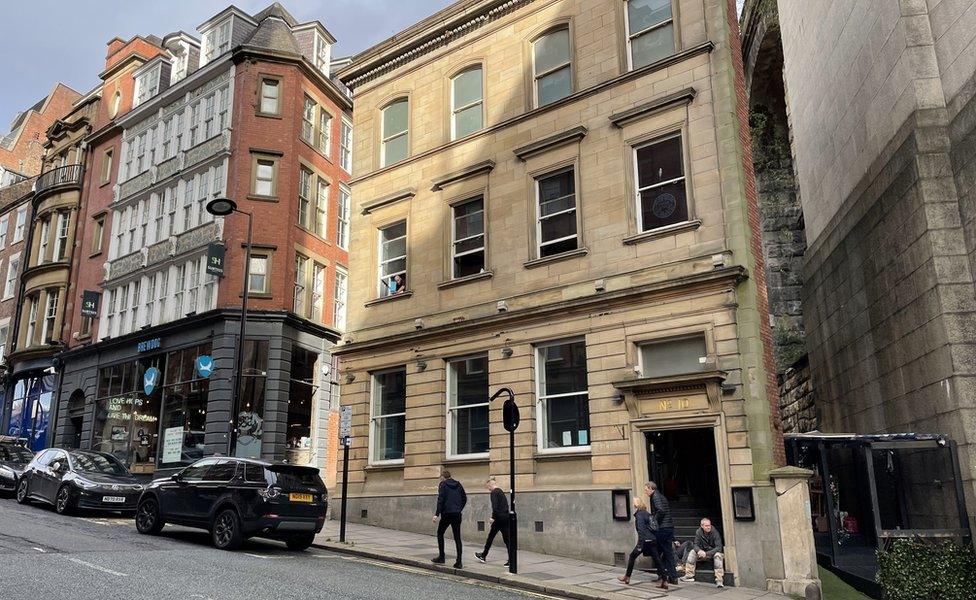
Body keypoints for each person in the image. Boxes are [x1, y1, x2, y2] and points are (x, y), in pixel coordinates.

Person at [618, 497, 669, 589]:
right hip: (652, 540)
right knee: (657, 560)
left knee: (632, 556)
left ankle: (627, 577)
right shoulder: (647, 513)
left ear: (636, 504)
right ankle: (665, 581)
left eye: (633, 502)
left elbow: (641, 529)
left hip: (645, 541)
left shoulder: (639, 515)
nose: (632, 504)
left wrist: (640, 544)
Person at [645, 481, 679, 584]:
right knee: (668, 553)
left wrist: (653, 521)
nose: (645, 492)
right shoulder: (661, 496)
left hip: (663, 529)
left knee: (655, 552)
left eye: (646, 490)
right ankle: (673, 578)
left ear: (651, 489)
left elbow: (660, 510)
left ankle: (662, 576)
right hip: (668, 528)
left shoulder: (655, 496)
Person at [432, 468, 467, 568]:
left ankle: (442, 557)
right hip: (457, 513)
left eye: (440, 477)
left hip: (447, 513)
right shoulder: (458, 484)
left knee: (440, 533)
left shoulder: (443, 485)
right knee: (457, 537)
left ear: (443, 477)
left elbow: (441, 500)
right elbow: (464, 498)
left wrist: (436, 514)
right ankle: (459, 561)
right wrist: (459, 508)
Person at [475, 478, 510, 565]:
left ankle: (483, 555)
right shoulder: (500, 491)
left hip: (498, 519)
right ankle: (511, 559)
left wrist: (493, 517)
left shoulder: (494, 492)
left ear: (490, 485)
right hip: (505, 517)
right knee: (507, 539)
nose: (488, 489)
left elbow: (495, 507)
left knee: (491, 537)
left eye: (488, 487)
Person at [681, 517, 725, 588]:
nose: (708, 527)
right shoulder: (699, 532)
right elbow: (695, 544)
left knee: (718, 555)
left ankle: (719, 580)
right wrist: (699, 550)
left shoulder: (715, 532)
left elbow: (719, 548)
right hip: (703, 553)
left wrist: (707, 553)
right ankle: (689, 575)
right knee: (692, 552)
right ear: (702, 526)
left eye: (709, 525)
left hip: (712, 553)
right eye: (706, 526)